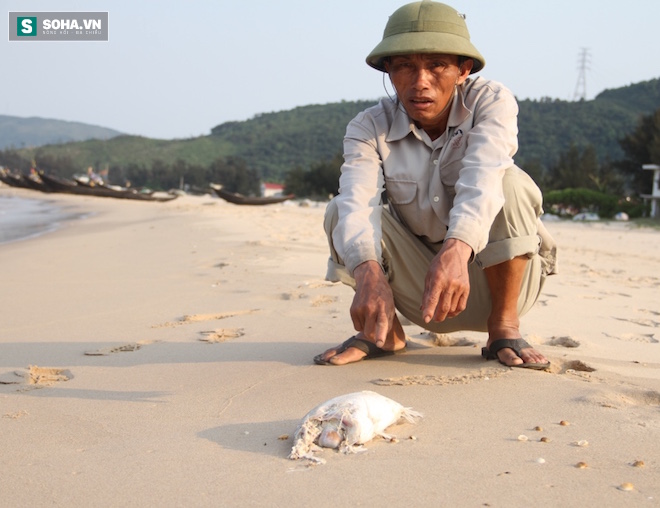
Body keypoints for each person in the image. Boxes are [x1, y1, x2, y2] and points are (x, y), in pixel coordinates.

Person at [314, 0, 557, 369]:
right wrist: (367, 271)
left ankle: (504, 328)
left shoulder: (491, 102)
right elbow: (357, 200)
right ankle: (384, 331)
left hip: (491, 280)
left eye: (437, 65)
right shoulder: (368, 127)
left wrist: (458, 249)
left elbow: (484, 176)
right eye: (405, 67)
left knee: (511, 183)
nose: (420, 82)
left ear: (463, 69)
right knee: (341, 210)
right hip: (418, 291)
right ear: (389, 72)